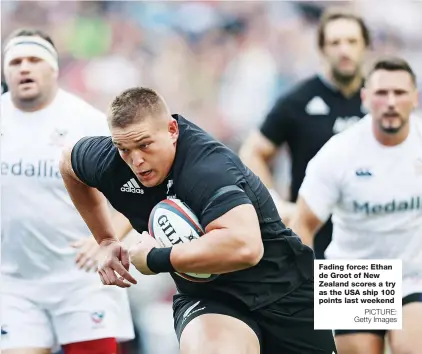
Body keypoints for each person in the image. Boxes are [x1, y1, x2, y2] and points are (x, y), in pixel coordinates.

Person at [59, 87, 338, 354]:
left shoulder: (207, 169)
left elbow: (246, 247)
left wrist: (156, 258)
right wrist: (106, 239)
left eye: (144, 145)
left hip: (286, 290)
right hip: (211, 298)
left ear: (172, 131)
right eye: (124, 148)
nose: (136, 161)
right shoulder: (111, 159)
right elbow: (68, 163)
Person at [1, 29, 135, 354]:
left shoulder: (87, 122)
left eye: (34, 60)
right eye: (15, 62)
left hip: (81, 278)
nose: (24, 68)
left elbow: (135, 190)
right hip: (13, 282)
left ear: (54, 69)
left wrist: (106, 237)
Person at [290, 57, 422, 354]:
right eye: (381, 93)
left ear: (415, 98)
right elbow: (303, 226)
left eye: (399, 93)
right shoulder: (339, 153)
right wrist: (303, 290)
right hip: (353, 276)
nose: (390, 102)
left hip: (413, 272)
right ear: (365, 98)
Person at [239, 8, 370, 259]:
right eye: (335, 42)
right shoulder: (299, 100)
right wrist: (276, 206)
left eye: (352, 42)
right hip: (313, 238)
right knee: (333, 297)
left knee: (378, 297)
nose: (344, 50)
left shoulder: (383, 101)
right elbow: (252, 152)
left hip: (369, 236)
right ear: (321, 50)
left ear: (365, 46)